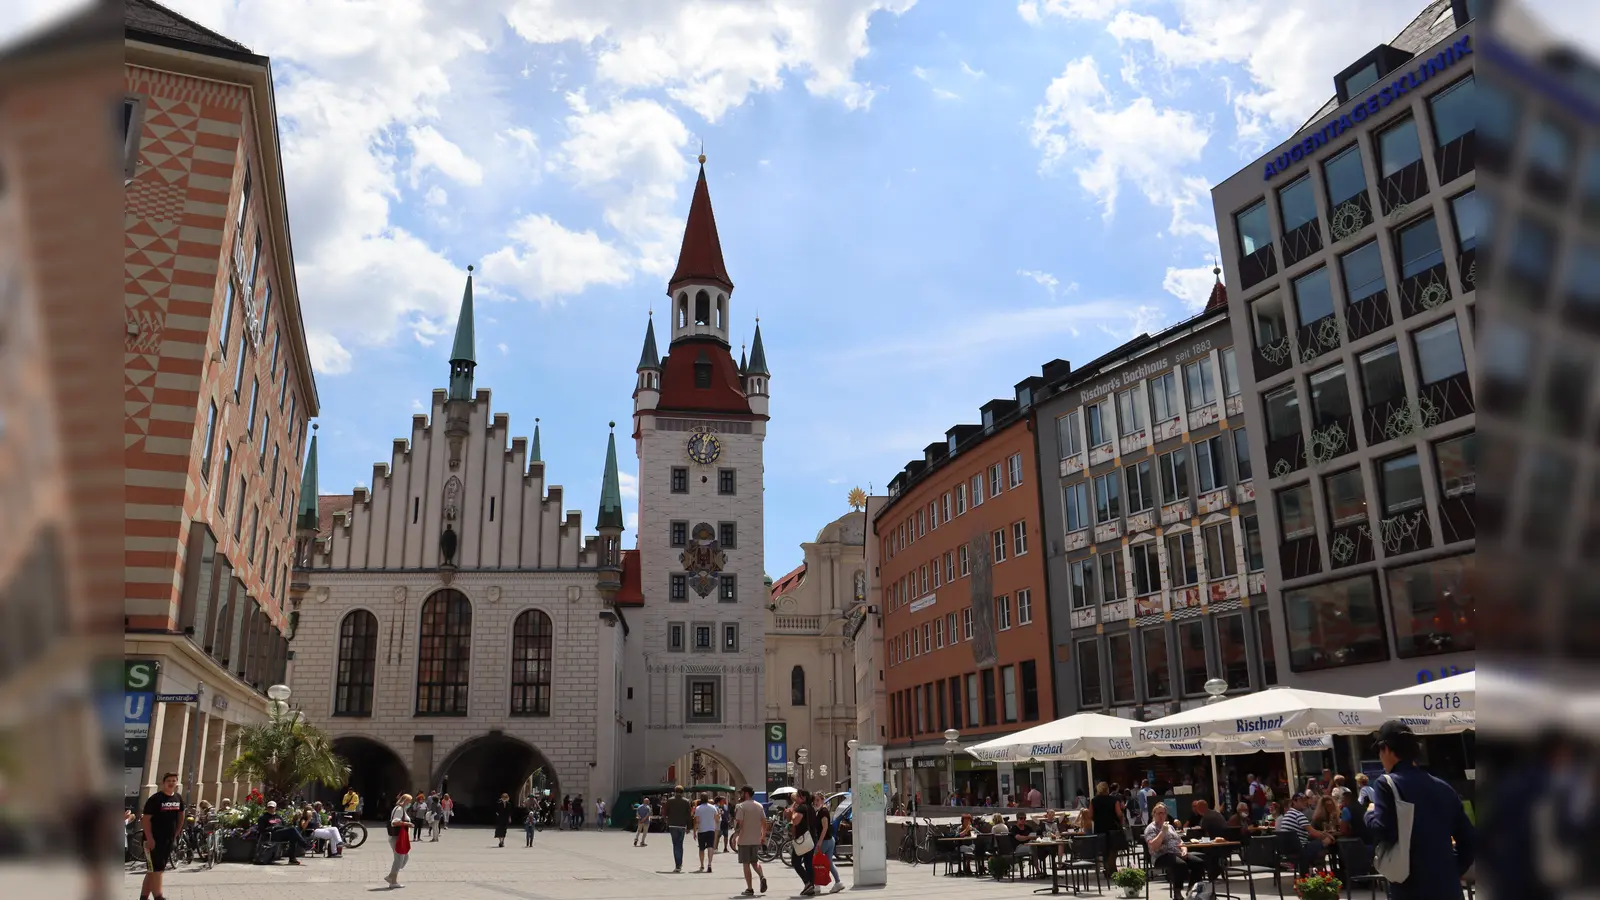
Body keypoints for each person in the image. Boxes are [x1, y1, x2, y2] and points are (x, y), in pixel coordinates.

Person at [1363, 720, 1475, 899]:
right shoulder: (1444, 787)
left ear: (1386, 749)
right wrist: (1452, 870)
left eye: (1379, 751)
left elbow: (1384, 830)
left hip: (1411, 887)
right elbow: (1469, 840)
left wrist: (1369, 814)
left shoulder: (1387, 784)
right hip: (1448, 888)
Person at [138, 772, 183, 900]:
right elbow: (146, 820)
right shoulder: (155, 799)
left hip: (167, 840)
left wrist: (176, 833)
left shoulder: (178, 798)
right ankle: (159, 897)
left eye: (174, 780)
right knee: (157, 870)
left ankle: (143, 897)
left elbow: (181, 816)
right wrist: (150, 838)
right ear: (163, 783)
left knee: (153, 870)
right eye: (169, 780)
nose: (171, 783)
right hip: (152, 840)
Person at [1144, 803, 1206, 895]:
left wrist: (1184, 850)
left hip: (1177, 853)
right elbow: (1154, 846)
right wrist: (1162, 832)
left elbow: (1180, 841)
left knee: (1199, 863)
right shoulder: (1151, 828)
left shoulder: (1170, 827)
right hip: (1161, 856)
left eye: (1163, 813)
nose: (1161, 815)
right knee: (1180, 865)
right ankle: (1177, 892)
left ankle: (1192, 888)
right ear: (1154, 814)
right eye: (1159, 813)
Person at [1276, 792, 1334, 876]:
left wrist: (1323, 834)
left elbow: (1307, 833)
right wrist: (1329, 837)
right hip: (1300, 850)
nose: (1304, 802)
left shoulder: (1288, 814)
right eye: (1301, 801)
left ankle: (1313, 869)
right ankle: (1319, 870)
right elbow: (1314, 833)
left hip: (1288, 850)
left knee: (1318, 844)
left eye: (1305, 800)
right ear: (1294, 802)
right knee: (1324, 842)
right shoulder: (1299, 815)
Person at [732, 786, 769, 897]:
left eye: (741, 793)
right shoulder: (759, 806)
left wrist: (735, 836)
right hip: (756, 839)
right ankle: (762, 876)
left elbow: (739, 824)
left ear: (746, 794)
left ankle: (750, 888)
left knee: (746, 864)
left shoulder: (741, 806)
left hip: (744, 840)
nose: (740, 795)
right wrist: (763, 836)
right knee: (755, 861)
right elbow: (764, 822)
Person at [1091, 781, 1126, 879]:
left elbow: (1090, 815)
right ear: (1107, 789)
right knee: (1112, 849)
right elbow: (1119, 814)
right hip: (1112, 827)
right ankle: (1112, 869)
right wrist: (1121, 821)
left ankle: (1108, 868)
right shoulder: (1114, 800)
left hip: (1100, 828)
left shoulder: (1094, 800)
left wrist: (1097, 819)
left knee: (1104, 849)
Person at [256, 800, 310, 865]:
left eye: (272, 807)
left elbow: (284, 825)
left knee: (293, 836)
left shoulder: (278, 817)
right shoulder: (263, 817)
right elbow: (261, 829)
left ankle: (292, 859)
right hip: (272, 834)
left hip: (281, 833)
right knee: (293, 830)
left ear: (275, 808)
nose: (271, 809)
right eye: (269, 807)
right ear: (267, 808)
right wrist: (273, 828)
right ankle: (305, 845)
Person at [788, 790, 819, 895]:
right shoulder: (811, 808)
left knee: (795, 862)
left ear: (803, 798)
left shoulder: (801, 808)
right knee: (808, 863)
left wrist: (792, 811)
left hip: (802, 839)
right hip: (811, 839)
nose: (795, 798)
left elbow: (795, 821)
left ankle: (807, 883)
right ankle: (811, 886)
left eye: (797, 796)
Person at [814, 790, 844, 894]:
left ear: (822, 800)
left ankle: (816, 885)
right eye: (815, 800)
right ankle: (838, 882)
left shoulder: (823, 811)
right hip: (830, 840)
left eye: (818, 800)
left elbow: (825, 827)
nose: (816, 802)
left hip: (825, 841)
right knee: (829, 862)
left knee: (814, 861)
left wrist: (819, 842)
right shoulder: (822, 811)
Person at [663, 785, 694, 873]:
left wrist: (666, 821)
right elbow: (689, 815)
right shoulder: (686, 801)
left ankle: (677, 864)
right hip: (682, 825)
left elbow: (665, 812)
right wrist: (689, 827)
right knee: (680, 844)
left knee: (675, 844)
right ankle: (680, 863)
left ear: (675, 791)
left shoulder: (670, 800)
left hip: (673, 825)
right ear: (682, 792)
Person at [385, 793, 413, 888]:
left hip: (398, 837)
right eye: (409, 801)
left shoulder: (401, 809)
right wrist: (407, 824)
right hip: (397, 837)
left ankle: (392, 876)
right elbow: (395, 822)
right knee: (400, 858)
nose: (410, 803)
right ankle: (393, 880)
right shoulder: (400, 809)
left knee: (404, 857)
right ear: (405, 801)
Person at [694, 794, 719, 873]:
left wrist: (695, 831)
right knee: (710, 847)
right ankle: (709, 864)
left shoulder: (698, 808)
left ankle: (702, 865)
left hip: (702, 830)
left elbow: (697, 820)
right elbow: (717, 819)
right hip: (711, 829)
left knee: (701, 848)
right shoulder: (713, 807)